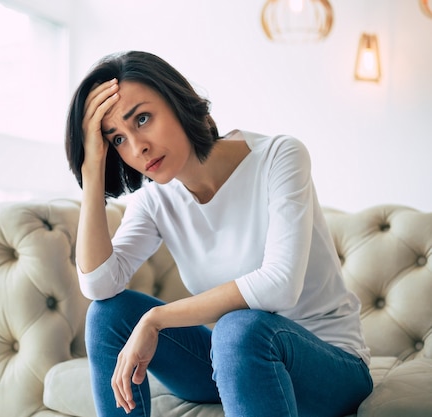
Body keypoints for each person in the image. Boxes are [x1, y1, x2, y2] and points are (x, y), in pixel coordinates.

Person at [65, 51, 372, 417]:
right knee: (108, 315)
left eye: (142, 119)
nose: (137, 147)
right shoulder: (153, 201)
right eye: (117, 140)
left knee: (239, 328)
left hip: (328, 364)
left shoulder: (279, 156)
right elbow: (98, 286)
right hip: (236, 363)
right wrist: (92, 167)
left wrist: (156, 319)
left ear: (178, 102)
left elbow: (279, 286)